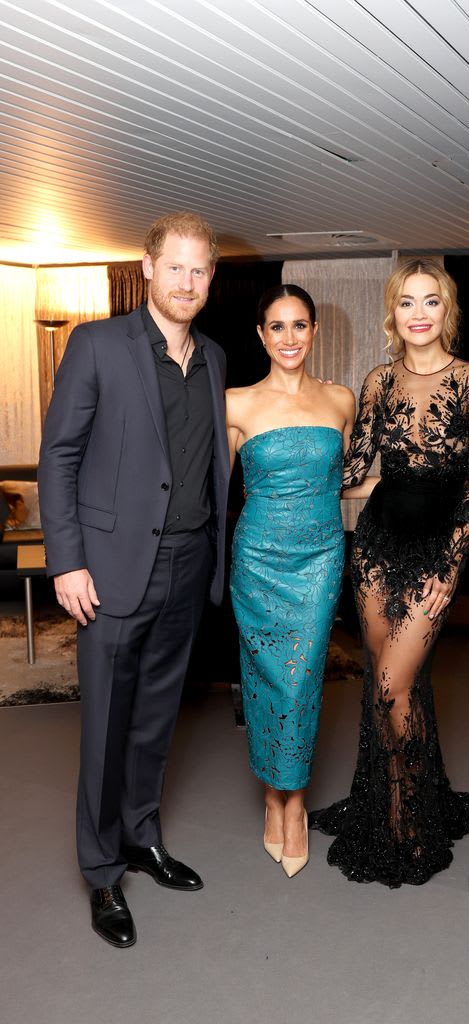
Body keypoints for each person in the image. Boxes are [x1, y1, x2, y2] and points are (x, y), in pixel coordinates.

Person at [38, 211, 229, 948]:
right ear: (147, 267)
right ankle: (100, 871)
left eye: (200, 269)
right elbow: (59, 456)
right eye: (175, 266)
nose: (187, 281)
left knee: (155, 720)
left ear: (211, 277)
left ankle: (142, 837)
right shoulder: (96, 345)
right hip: (110, 572)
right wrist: (66, 560)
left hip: (186, 566)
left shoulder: (211, 356)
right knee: (106, 726)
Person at [310, 258, 469, 887]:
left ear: (448, 311)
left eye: (431, 302)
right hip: (377, 546)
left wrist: (451, 566)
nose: (419, 314)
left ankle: (408, 816)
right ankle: (392, 799)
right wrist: (300, 464)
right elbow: (359, 469)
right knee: (386, 683)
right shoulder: (377, 381)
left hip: (435, 554)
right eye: (407, 303)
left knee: (394, 683)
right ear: (392, 314)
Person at [226, 284, 356, 878]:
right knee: (264, 678)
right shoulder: (235, 404)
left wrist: (402, 487)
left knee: (302, 678)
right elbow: (210, 488)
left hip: (321, 555)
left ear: (314, 331)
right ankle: (272, 796)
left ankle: (293, 801)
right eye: (276, 327)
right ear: (260, 335)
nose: (289, 338)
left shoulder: (340, 400)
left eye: (299, 325)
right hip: (257, 559)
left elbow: (340, 481)